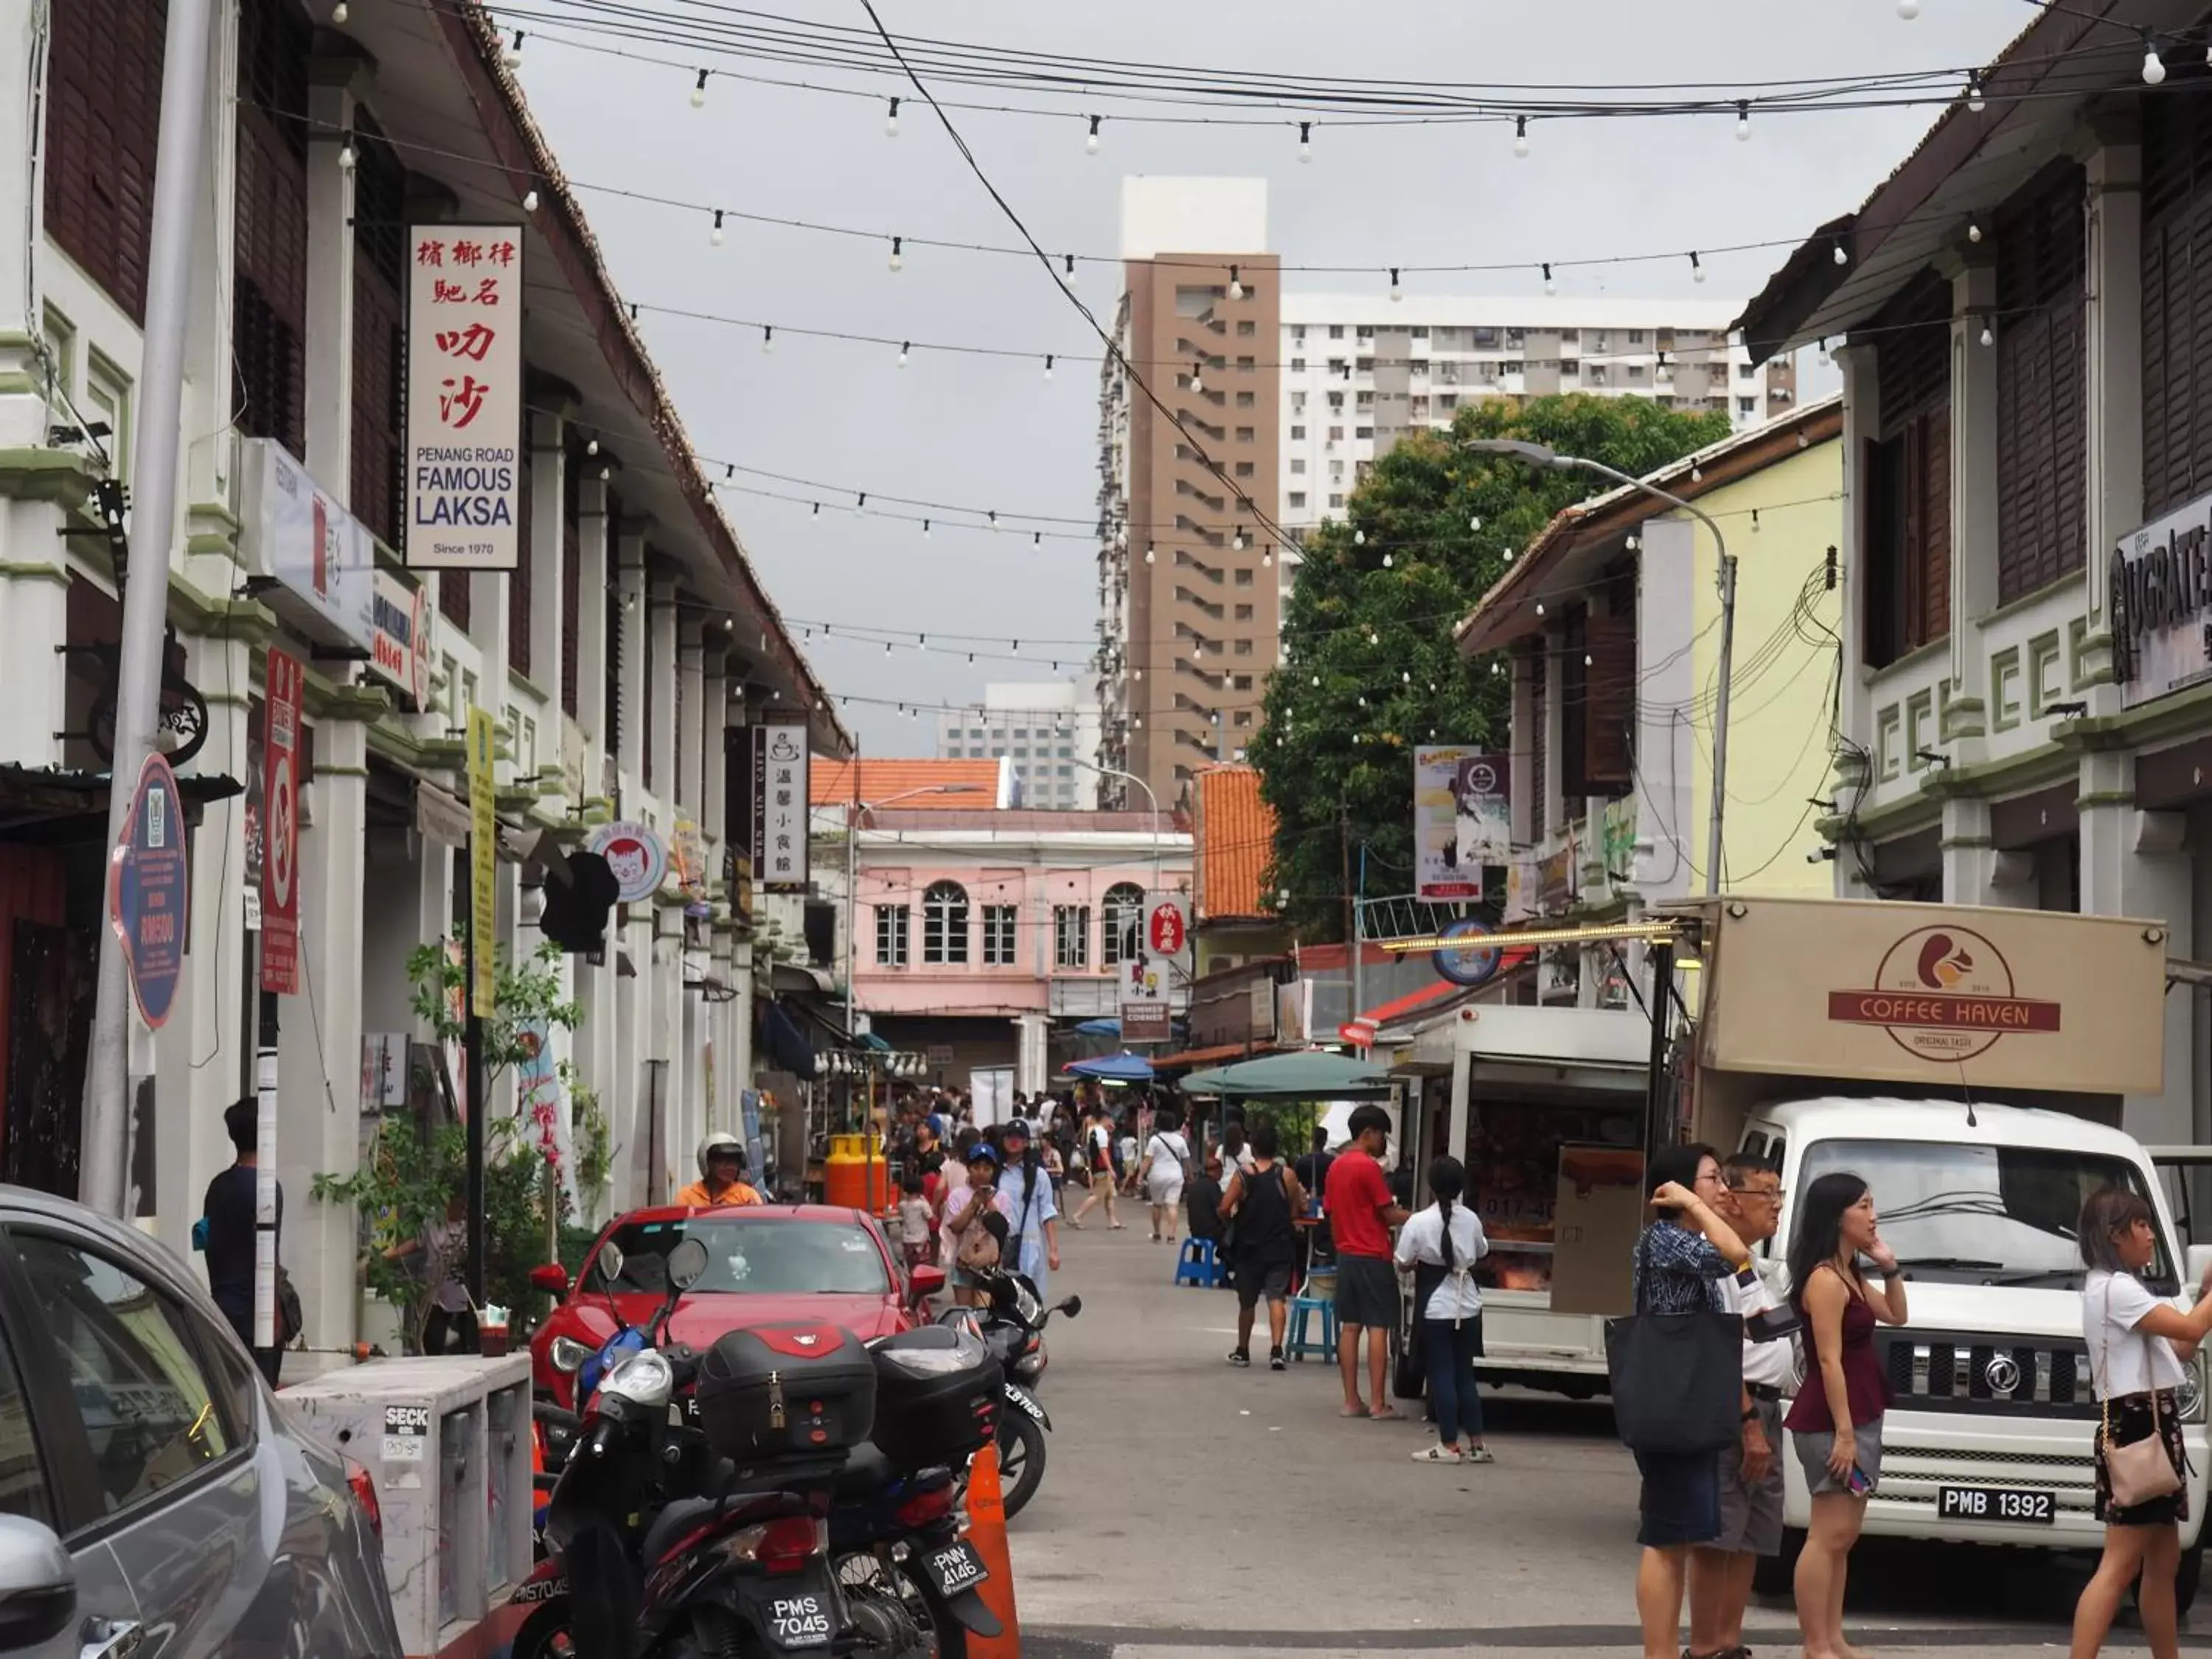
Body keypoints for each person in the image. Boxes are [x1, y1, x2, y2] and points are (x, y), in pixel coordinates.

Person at [2070, 1186, 2212, 1659]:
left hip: (2148, 1425)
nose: (2152, 1236)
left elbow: (2181, 1349)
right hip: (2140, 1430)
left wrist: (2207, 1296)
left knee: (2163, 1562)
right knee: (2120, 1564)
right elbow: (2191, 1329)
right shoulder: (2117, 1289)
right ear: (2116, 1236)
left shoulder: (2113, 1288)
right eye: (2142, 1226)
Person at [1628, 1144, 1751, 1659]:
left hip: (1690, 1400)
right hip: (1672, 1403)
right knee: (1667, 1537)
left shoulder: (1681, 1239)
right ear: (1678, 1188)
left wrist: (1701, 1210)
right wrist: (1697, 1209)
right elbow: (1734, 1256)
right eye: (1711, 1179)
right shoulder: (1665, 1239)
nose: (1722, 1189)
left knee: (1679, 1538)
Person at [1784, 1171, 1908, 1659]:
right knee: (1826, 1533)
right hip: (1833, 1419)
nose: (1873, 1216)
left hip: (1859, 1413)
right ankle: (1816, 1643)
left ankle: (1833, 1637)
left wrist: (1889, 1266)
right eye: (1864, 1206)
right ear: (1838, 1216)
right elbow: (1829, 1359)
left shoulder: (1850, 1273)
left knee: (1844, 1535)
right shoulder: (1824, 1279)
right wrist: (1843, 1433)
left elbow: (1897, 1315)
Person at [1686, 1154, 1791, 1659]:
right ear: (1730, 1198)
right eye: (1765, 1193)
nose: (1775, 1204)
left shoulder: (1751, 1263)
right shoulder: (1714, 1261)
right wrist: (1748, 1421)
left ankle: (1729, 1642)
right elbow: (1718, 1350)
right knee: (1718, 1534)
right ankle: (1705, 1647)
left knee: (1751, 1533)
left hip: (1768, 1408)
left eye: (1779, 1193)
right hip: (1738, 1407)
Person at [1395, 1154, 1491, 1463]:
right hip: (1468, 1305)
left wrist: (1414, 1264)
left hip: (1436, 1307)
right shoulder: (1472, 1219)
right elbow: (1480, 1252)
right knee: (1465, 1375)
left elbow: (1403, 1262)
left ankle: (1449, 1445)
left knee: (1441, 1376)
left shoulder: (1418, 1222)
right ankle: (1477, 1444)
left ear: (1431, 1186)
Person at [1325, 1104, 1411, 1421]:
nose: (1383, 1141)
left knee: (1350, 1327)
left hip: (1346, 1255)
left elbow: (1331, 1212)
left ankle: (1351, 1401)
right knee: (1378, 1326)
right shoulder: (1368, 1167)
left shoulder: (1336, 1167)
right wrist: (1419, 1218)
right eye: (1381, 1134)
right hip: (1373, 1255)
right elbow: (1388, 1213)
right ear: (1367, 1133)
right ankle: (1377, 1403)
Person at [204, 1097, 282, 1385]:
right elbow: (268, 1258)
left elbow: (209, 1244)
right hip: (254, 1316)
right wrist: (274, 1320)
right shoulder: (267, 1189)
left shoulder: (217, 1187)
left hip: (222, 1308)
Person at [1220, 1121, 1304, 1369]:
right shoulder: (1287, 1175)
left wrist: (1231, 1219)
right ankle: (1277, 1351)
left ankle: (1243, 1350)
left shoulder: (1244, 1174)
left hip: (1249, 1247)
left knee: (1247, 1301)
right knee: (1276, 1297)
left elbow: (1225, 1207)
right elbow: (1294, 1210)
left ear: (1253, 1148)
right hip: (1279, 1245)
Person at [385, 1192, 476, 1355]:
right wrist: (388, 1255)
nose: (461, 1208)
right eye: (456, 1203)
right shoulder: (433, 1223)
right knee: (433, 1344)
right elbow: (415, 1243)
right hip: (437, 1297)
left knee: (469, 1349)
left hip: (466, 1298)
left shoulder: (472, 1226)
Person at [992, 1117, 1063, 1304]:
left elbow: (1047, 1213)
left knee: (1029, 1299)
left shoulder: (1038, 1175)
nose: (1014, 1141)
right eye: (1010, 1136)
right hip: (998, 1246)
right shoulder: (995, 1173)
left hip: (1029, 1245)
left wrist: (1054, 1250)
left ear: (1026, 1143)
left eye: (1019, 1137)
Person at [945, 1141, 1012, 1307]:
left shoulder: (1002, 1197)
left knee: (984, 1311)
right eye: (976, 1168)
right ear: (968, 1169)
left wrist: (988, 1201)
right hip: (964, 1264)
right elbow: (955, 1227)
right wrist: (973, 1204)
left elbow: (1003, 1229)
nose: (981, 1173)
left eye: (987, 1168)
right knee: (965, 1313)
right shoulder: (958, 1195)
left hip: (989, 1266)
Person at [1138, 1107, 1192, 1242]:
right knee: (1172, 1206)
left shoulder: (1155, 1140)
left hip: (1157, 1175)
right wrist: (1189, 1176)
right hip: (1175, 1176)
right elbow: (1187, 1160)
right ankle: (1171, 1236)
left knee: (1157, 1205)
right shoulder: (1180, 1140)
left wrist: (1140, 1176)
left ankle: (1157, 1233)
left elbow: (1147, 1161)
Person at [675, 1131, 763, 1208]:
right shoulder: (687, 1196)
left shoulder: (748, 1197)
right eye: (722, 1160)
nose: (730, 1167)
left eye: (734, 1161)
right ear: (708, 1162)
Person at [1070, 1106, 1124, 1231]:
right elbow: (1103, 1152)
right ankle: (1078, 1216)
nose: (1112, 1123)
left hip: (1097, 1166)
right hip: (1102, 1168)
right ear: (1105, 1119)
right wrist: (1110, 1169)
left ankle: (1112, 1220)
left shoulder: (1095, 1131)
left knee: (1109, 1195)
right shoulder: (1102, 1133)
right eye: (1110, 1120)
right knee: (1097, 1195)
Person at [897, 1175, 935, 1272]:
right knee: (923, 1265)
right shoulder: (922, 1204)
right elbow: (929, 1216)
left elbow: (900, 1216)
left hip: (907, 1240)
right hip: (921, 1240)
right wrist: (925, 1200)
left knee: (910, 1265)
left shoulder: (902, 1205)